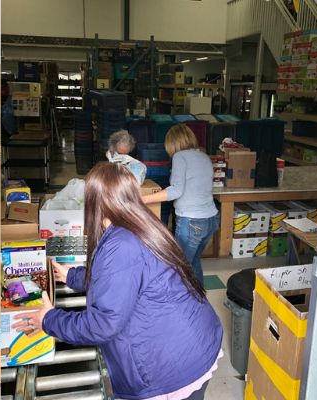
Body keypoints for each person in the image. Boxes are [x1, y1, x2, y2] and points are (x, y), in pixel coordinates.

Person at [15, 162, 222, 400]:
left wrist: (49, 320)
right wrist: (71, 276)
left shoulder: (121, 244)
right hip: (196, 341)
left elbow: (103, 324)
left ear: (95, 202)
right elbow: (124, 279)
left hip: (172, 367)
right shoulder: (142, 224)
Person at [142, 124, 218, 284]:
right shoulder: (204, 156)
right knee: (193, 262)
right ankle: (199, 300)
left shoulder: (180, 157)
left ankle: (181, 305)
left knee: (179, 267)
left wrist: (144, 199)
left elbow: (176, 191)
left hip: (192, 221)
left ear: (172, 143)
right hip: (211, 220)